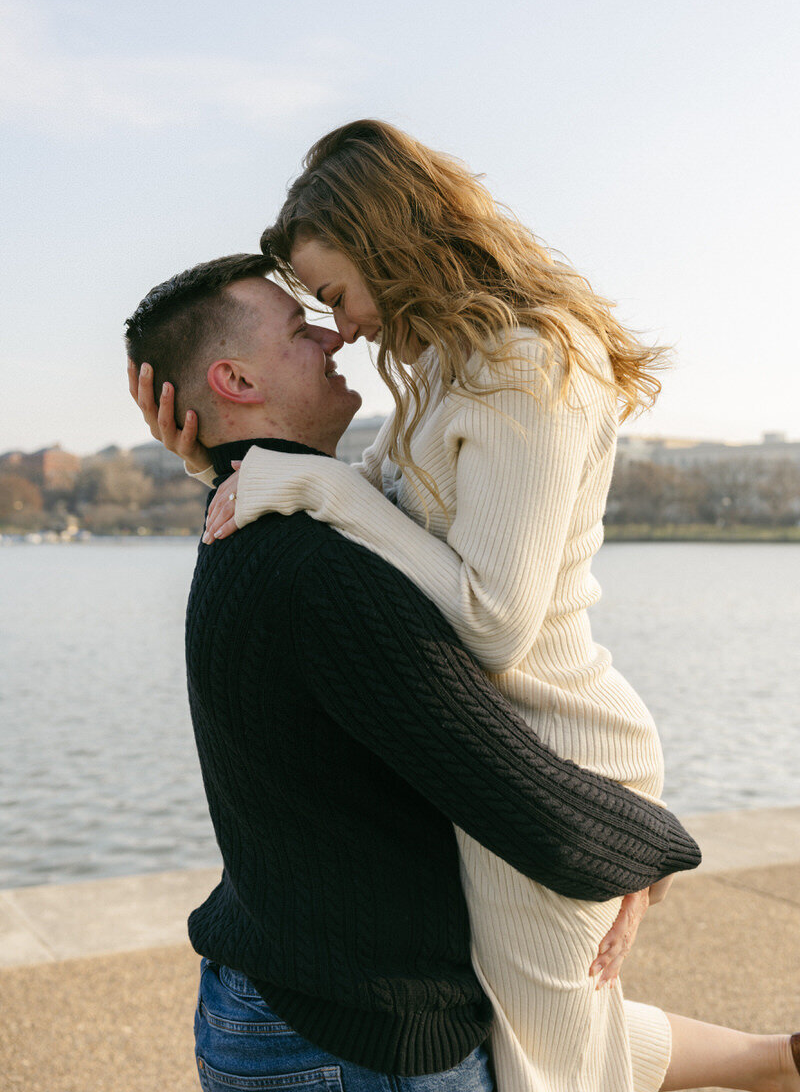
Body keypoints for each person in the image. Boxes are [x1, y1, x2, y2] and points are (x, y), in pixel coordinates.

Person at [152, 121, 800, 1092]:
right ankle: (772, 1064)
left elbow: (490, 620)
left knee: (548, 1057)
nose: (344, 328)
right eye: (316, 312)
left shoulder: (530, 364)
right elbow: (343, 520)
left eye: (335, 295)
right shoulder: (448, 366)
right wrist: (220, 453)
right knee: (540, 1033)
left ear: (391, 242)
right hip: (498, 743)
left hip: (553, 751)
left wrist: (312, 485)